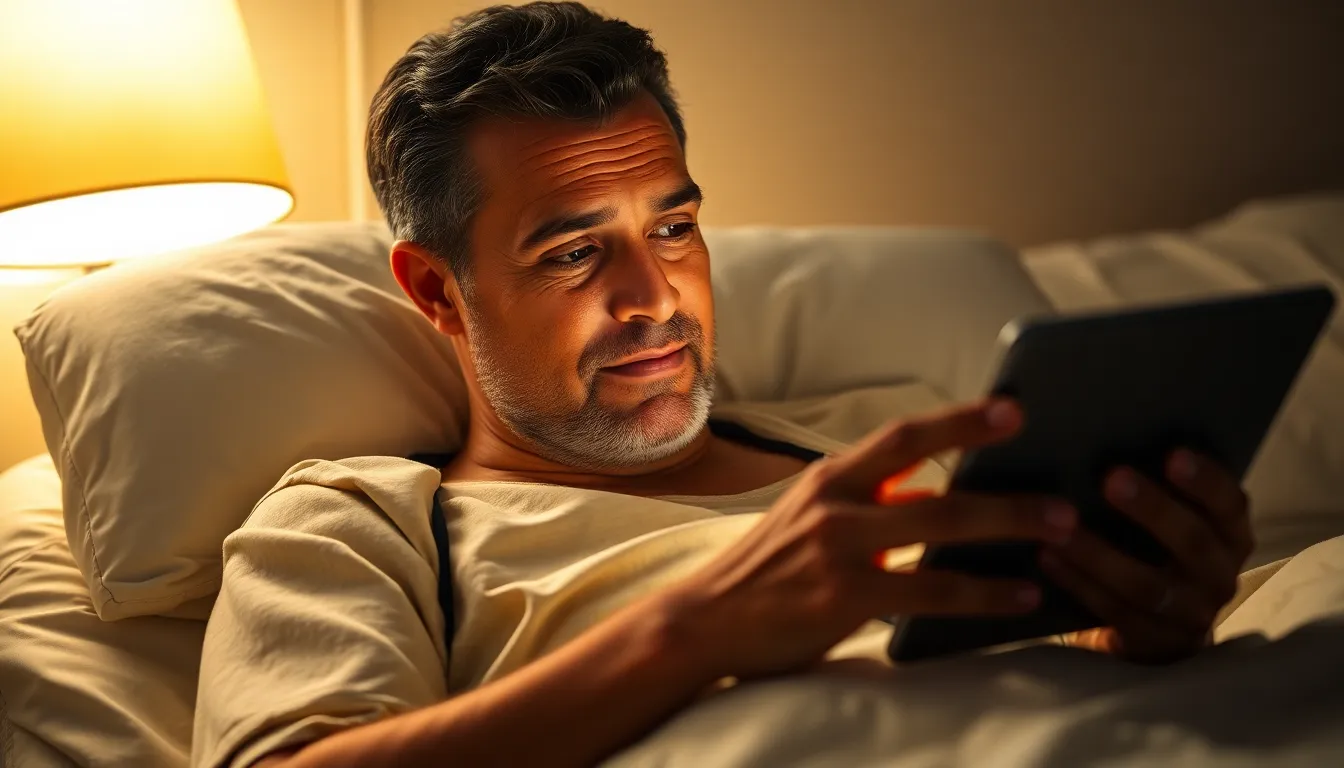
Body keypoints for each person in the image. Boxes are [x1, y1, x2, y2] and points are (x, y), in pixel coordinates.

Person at [191, 3, 1252, 766]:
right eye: (573, 254)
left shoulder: (873, 447)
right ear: (438, 289)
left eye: (675, 228)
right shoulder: (353, 527)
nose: (654, 296)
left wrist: (1137, 630)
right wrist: (700, 629)